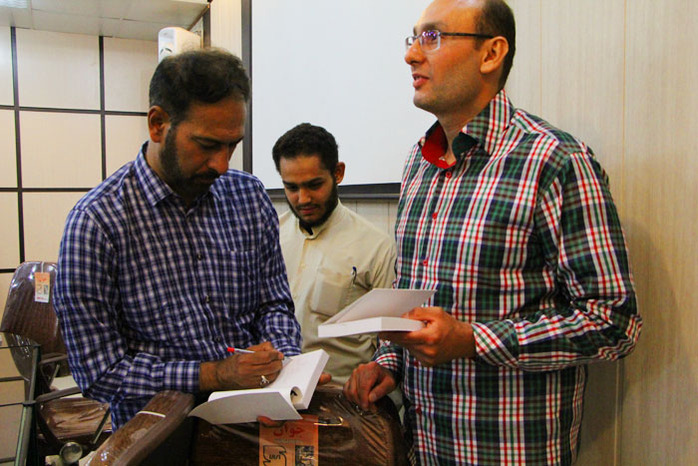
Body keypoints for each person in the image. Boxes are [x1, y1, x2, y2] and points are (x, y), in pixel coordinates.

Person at [343, 0, 642, 464]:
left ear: (491, 54)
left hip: (507, 451)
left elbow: (613, 321)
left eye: (432, 37)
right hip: (424, 445)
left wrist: (473, 340)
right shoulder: (419, 163)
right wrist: (389, 363)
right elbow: (412, 297)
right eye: (414, 38)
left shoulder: (554, 160)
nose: (411, 54)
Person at [54, 49, 302, 430]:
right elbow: (99, 372)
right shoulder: (96, 224)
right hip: (159, 434)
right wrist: (213, 375)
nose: (222, 164)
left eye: (232, 145)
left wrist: (282, 364)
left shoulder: (248, 196)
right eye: (207, 145)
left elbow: (274, 304)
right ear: (158, 124)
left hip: (258, 416)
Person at [272, 123, 397, 384]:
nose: (303, 199)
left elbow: (392, 342)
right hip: (275, 389)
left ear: (338, 173)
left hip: (340, 395)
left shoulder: (376, 247)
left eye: (314, 185)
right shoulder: (271, 235)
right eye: (292, 188)